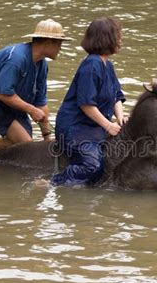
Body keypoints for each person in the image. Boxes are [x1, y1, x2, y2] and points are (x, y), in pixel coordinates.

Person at [0, 19, 72, 174]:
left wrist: (47, 137)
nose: (60, 48)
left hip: (5, 104)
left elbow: (41, 103)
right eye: (59, 43)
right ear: (48, 43)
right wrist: (31, 110)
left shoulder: (42, 65)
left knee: (26, 146)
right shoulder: (17, 58)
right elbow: (2, 93)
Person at [51, 17, 127, 187]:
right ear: (107, 38)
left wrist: (120, 118)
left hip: (92, 127)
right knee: (92, 166)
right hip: (76, 128)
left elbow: (116, 95)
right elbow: (86, 104)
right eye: (118, 34)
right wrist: (108, 126)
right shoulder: (91, 65)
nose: (120, 39)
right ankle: (54, 183)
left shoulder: (108, 66)